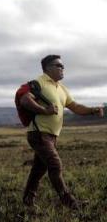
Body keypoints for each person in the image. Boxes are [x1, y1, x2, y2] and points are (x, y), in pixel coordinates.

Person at [20, 55, 104, 210]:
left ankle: (27, 200)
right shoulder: (40, 82)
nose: (62, 68)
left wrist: (92, 110)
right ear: (48, 68)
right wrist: (44, 110)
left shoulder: (61, 88)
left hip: (51, 136)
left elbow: (75, 106)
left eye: (63, 66)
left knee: (38, 169)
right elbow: (25, 100)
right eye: (59, 65)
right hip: (39, 133)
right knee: (54, 164)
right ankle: (69, 201)